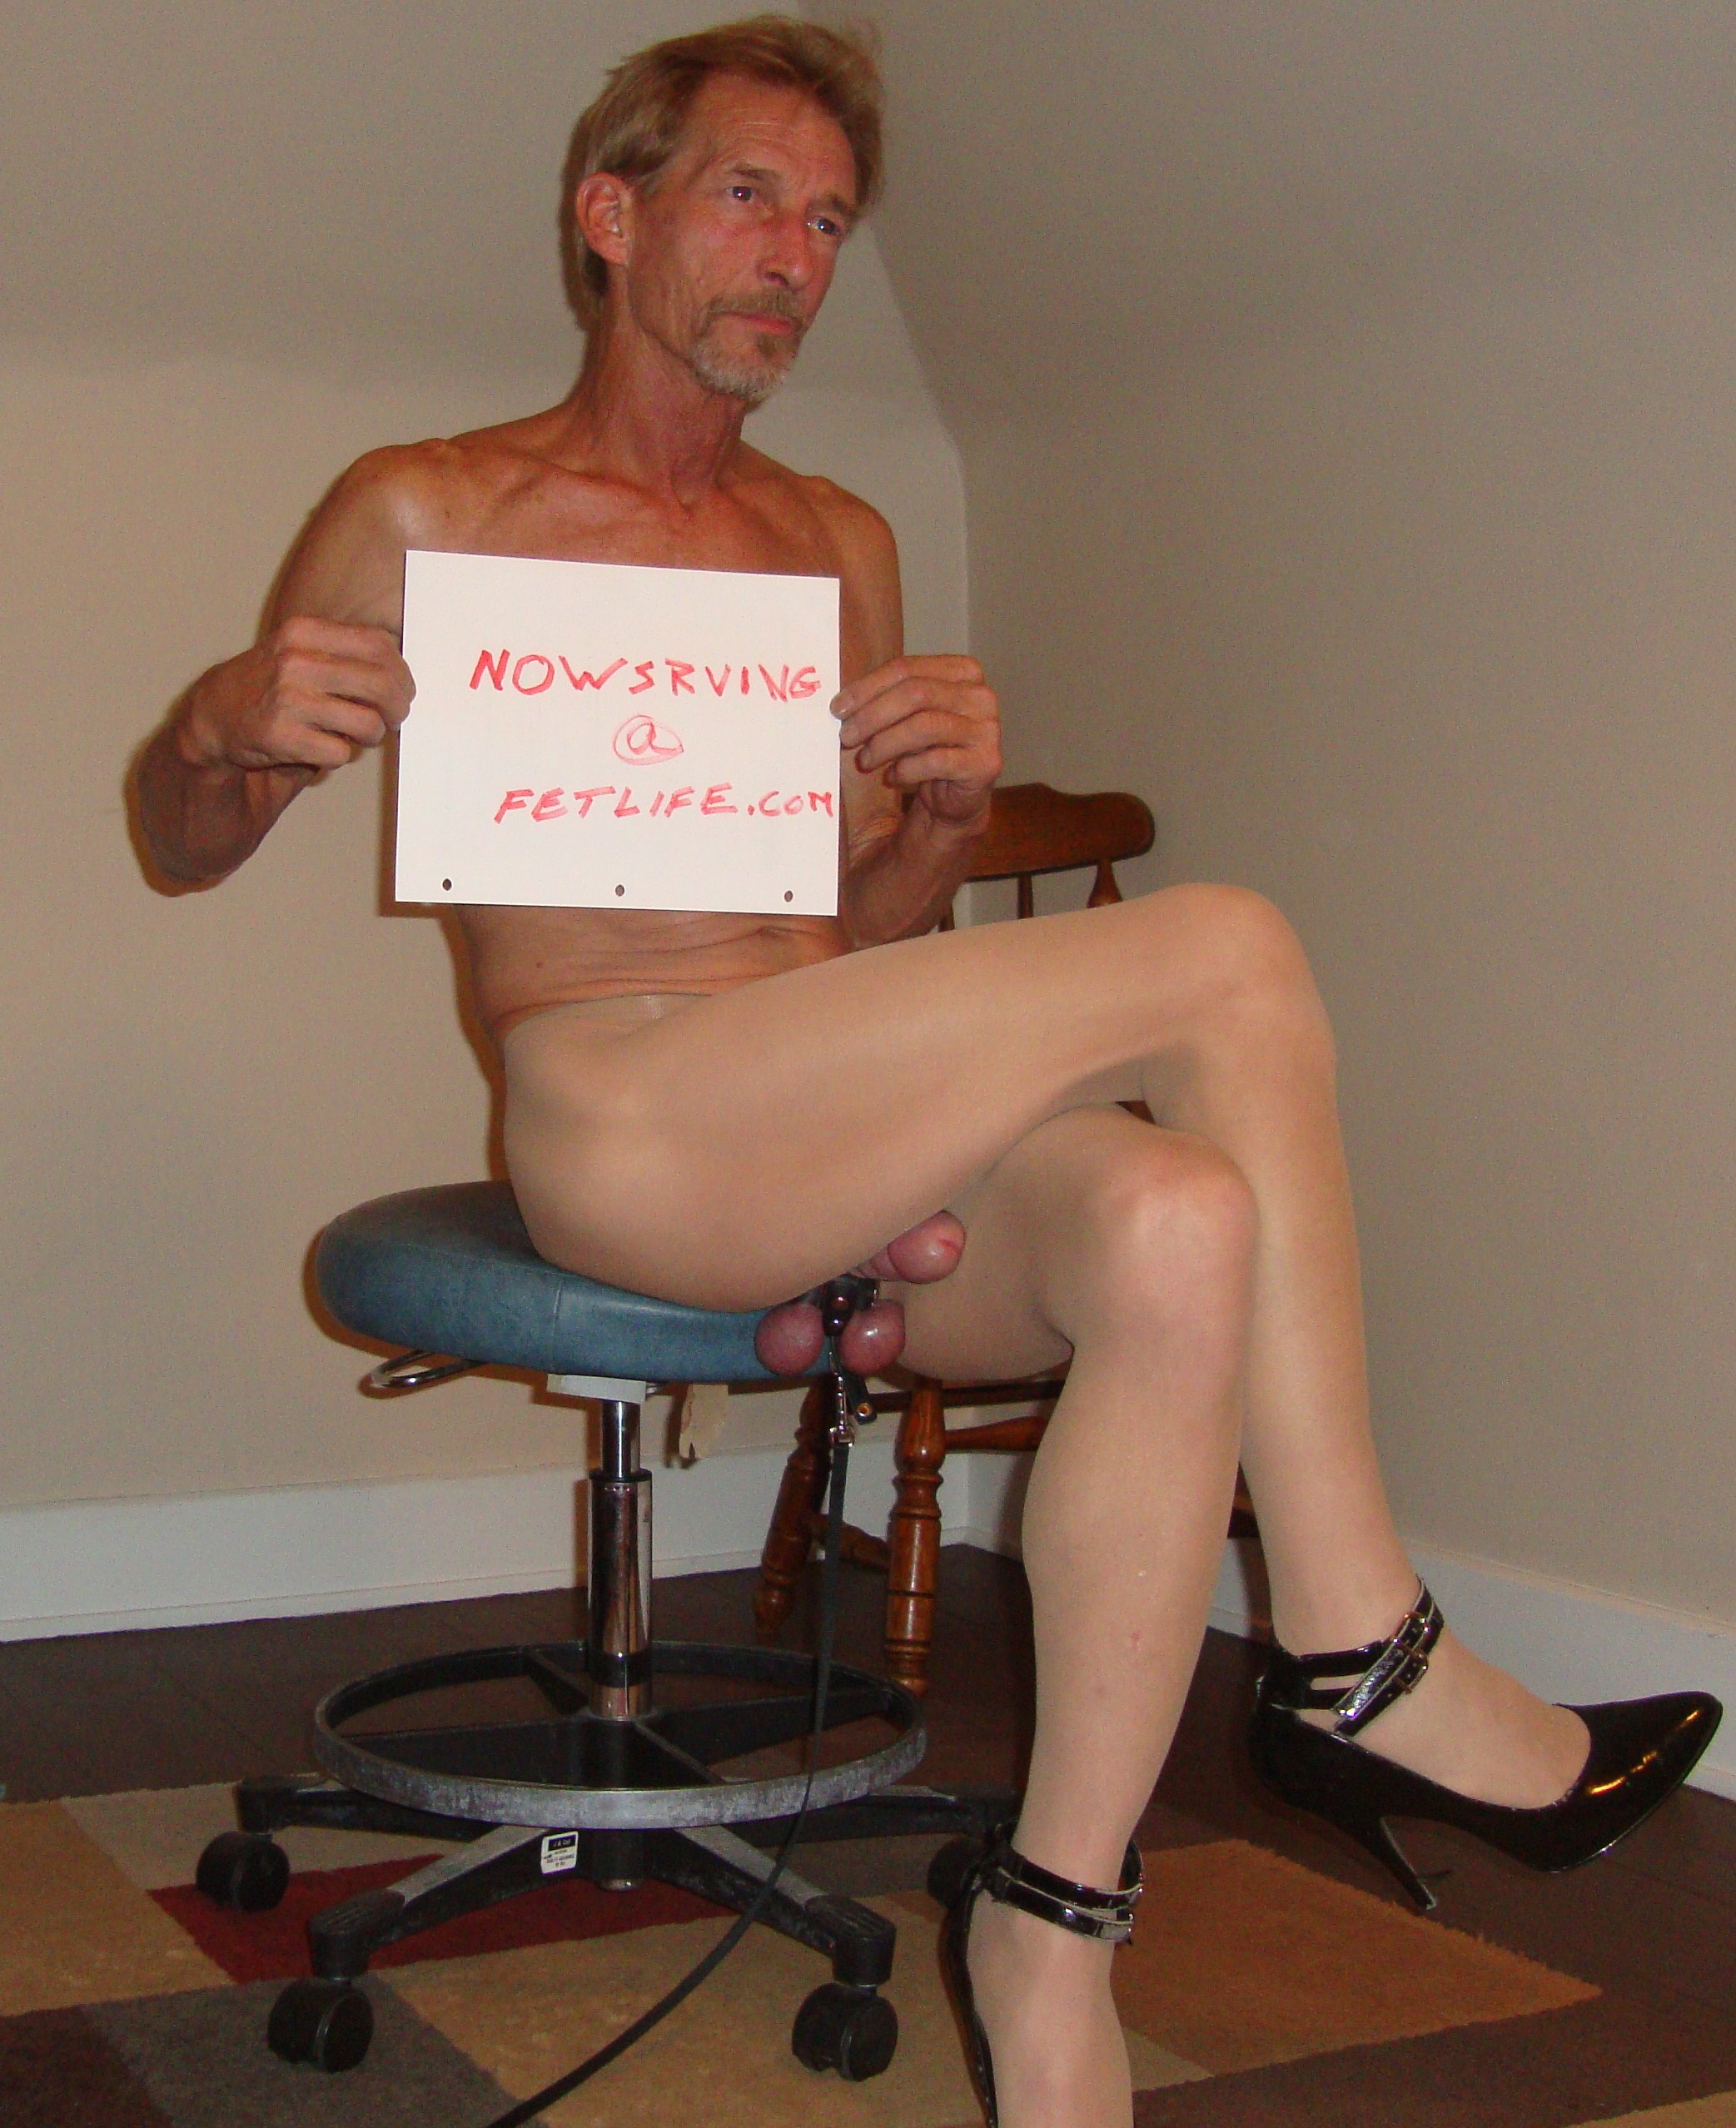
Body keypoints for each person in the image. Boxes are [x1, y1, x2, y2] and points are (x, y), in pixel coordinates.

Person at [129, 18, 1719, 2127]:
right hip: (628, 1115)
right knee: (1228, 952)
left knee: (1173, 1219)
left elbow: (858, 941)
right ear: (611, 217)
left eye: (827, 220)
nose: (795, 256)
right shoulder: (424, 509)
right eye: (746, 197)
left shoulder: (834, 540)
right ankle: (1356, 1648)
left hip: (830, 1115)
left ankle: (1050, 1931)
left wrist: (940, 822)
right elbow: (182, 844)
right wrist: (221, 730)